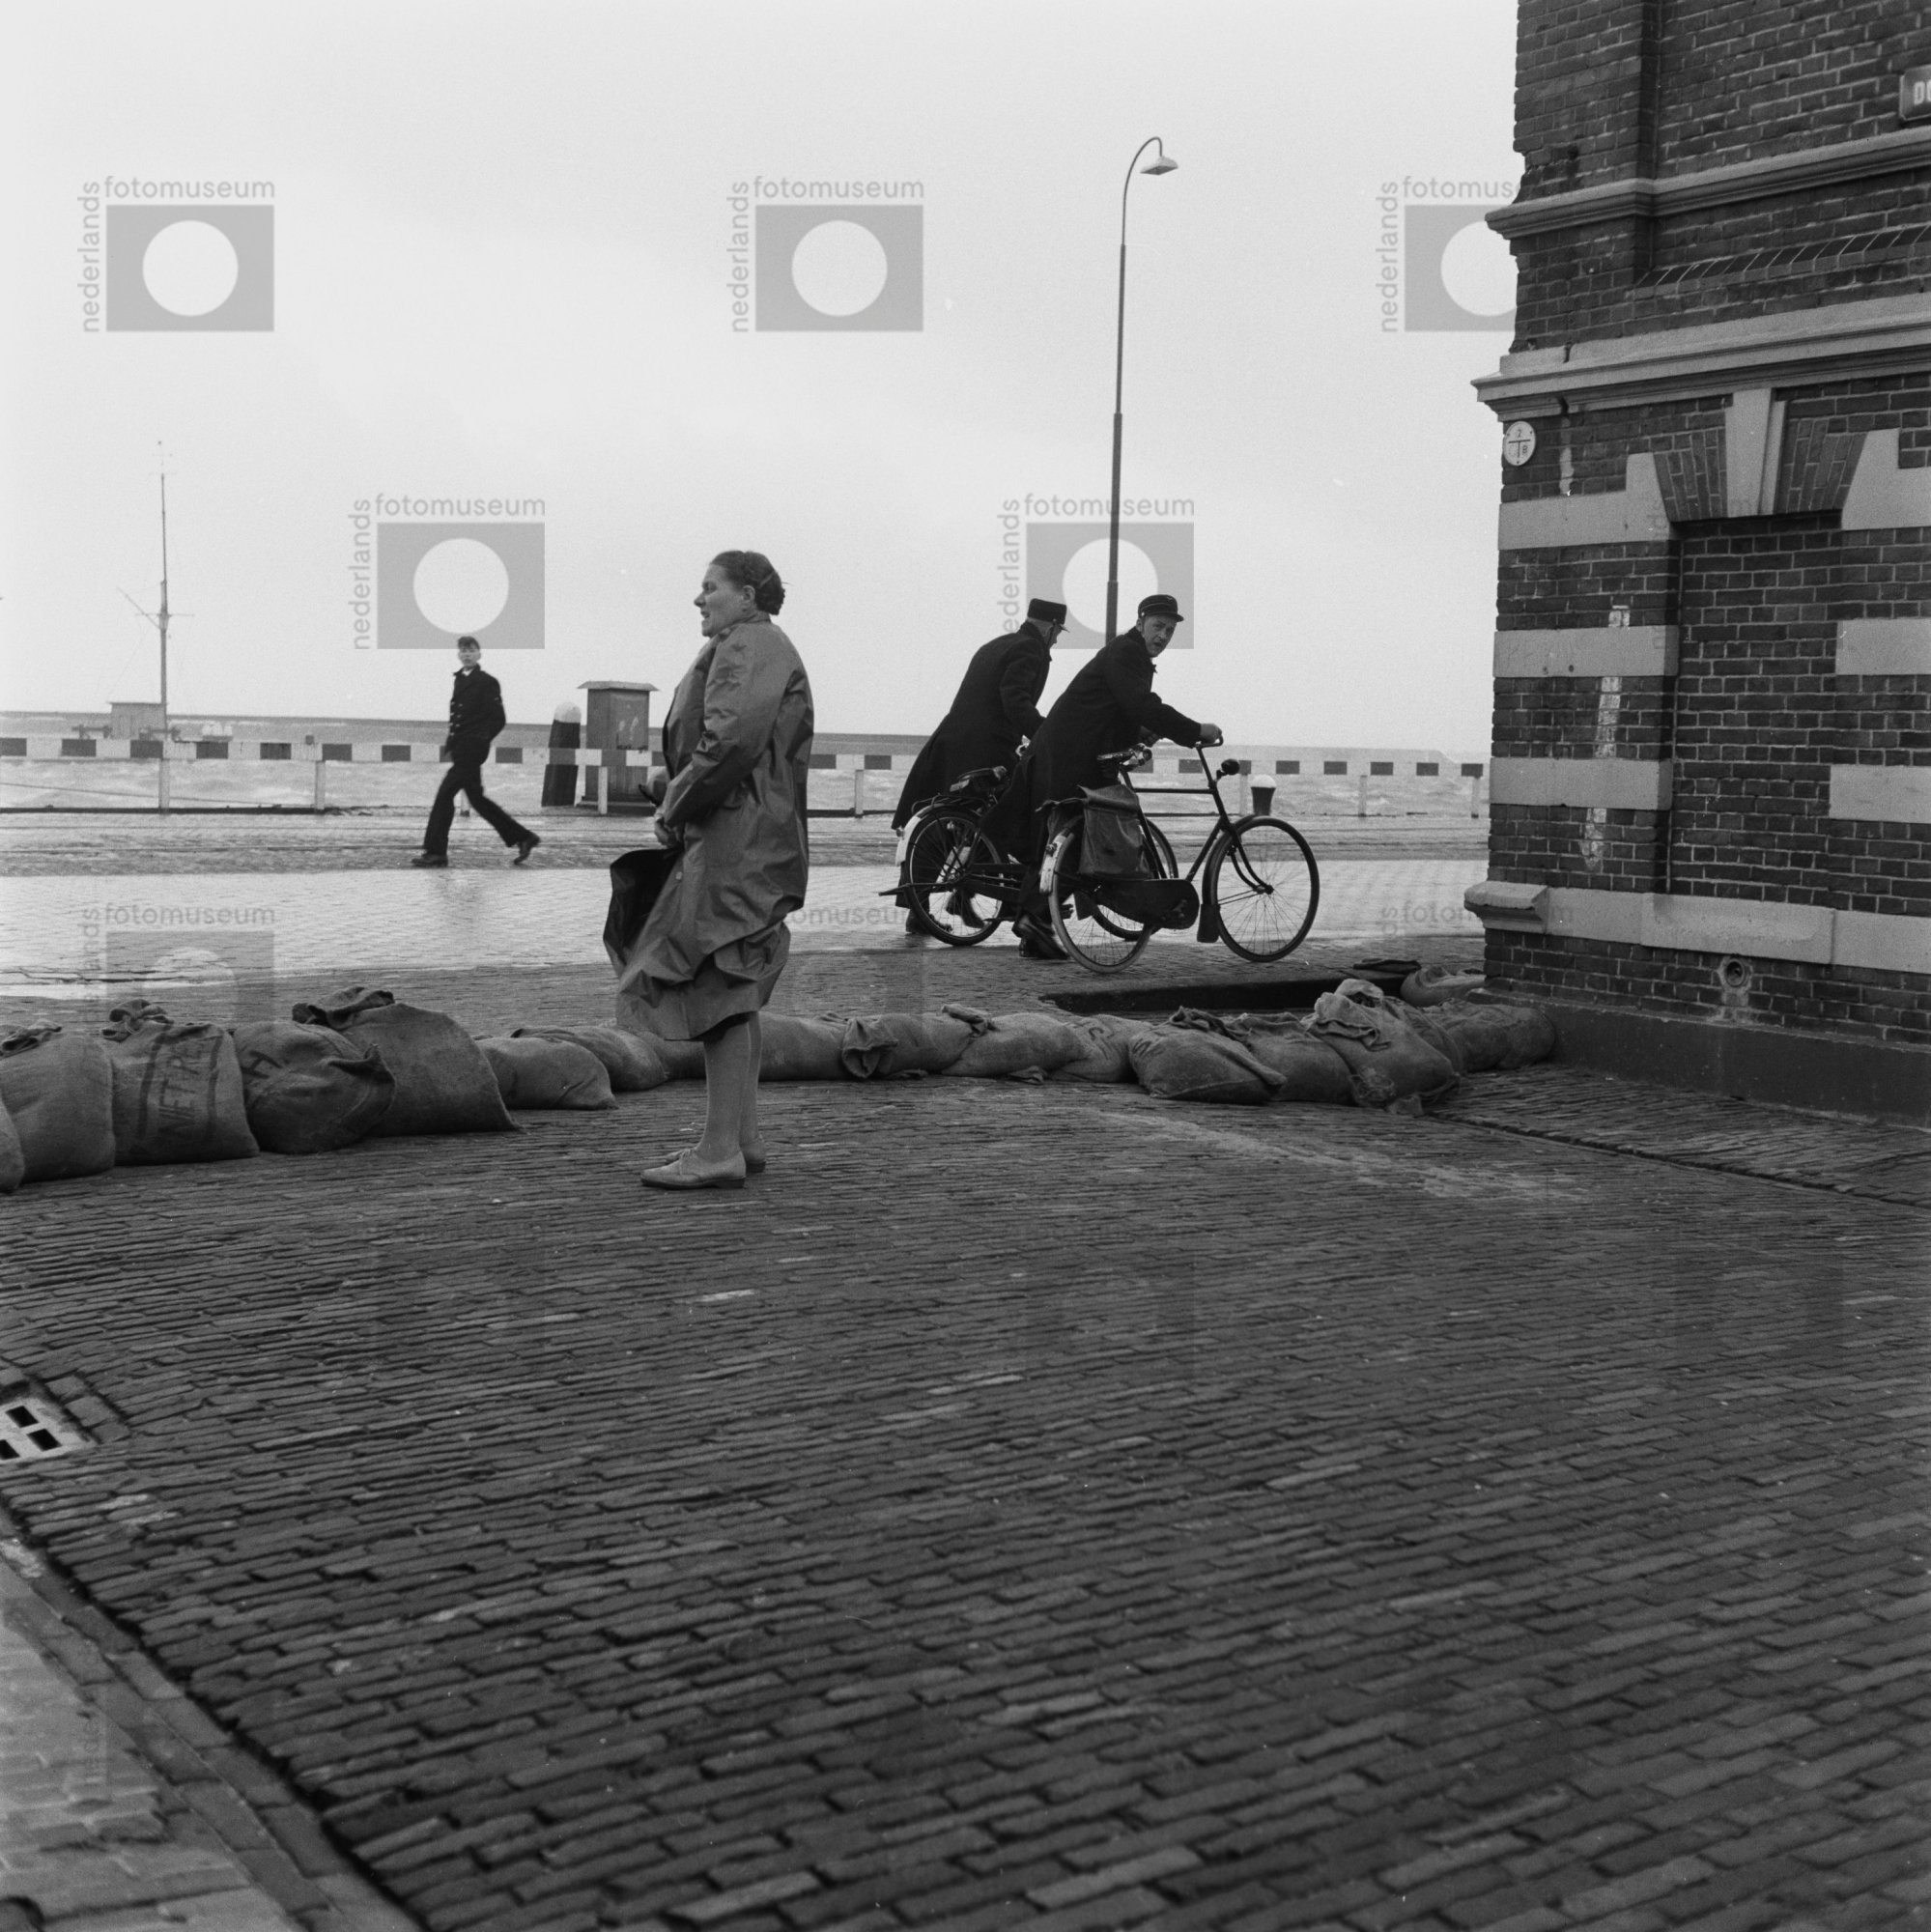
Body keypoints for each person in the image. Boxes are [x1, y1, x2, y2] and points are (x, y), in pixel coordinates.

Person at [619, 550, 813, 1191]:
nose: (699, 599)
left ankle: (718, 1150)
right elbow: (734, 742)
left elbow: (729, 741)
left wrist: (674, 803)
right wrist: (678, 788)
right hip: (754, 834)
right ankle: (742, 1138)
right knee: (736, 981)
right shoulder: (758, 644)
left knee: (718, 985)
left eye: (710, 587)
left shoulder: (748, 645)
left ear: (748, 594)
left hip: (738, 840)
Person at [980, 591, 1222, 958]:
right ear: (1140, 623)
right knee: (1081, 835)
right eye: (1158, 626)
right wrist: (1194, 730)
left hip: (1064, 751)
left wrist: (1141, 731)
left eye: (1170, 631)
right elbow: (1141, 704)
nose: (1163, 636)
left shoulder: (1128, 654)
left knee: (1058, 837)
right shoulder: (1127, 652)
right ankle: (1036, 919)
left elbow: (1115, 707)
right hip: (1070, 754)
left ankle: (1034, 928)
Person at [891, 597, 1065, 933]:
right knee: (1006, 816)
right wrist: (1045, 736)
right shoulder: (1030, 649)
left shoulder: (996, 644)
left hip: (950, 742)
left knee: (942, 824)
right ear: (1051, 627)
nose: (1056, 641)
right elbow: (1015, 700)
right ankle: (994, 895)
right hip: (985, 749)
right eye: (1058, 633)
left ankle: (922, 909)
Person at [412, 635, 541, 867]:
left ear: (479, 654)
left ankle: (436, 852)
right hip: (461, 749)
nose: (467, 654)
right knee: (477, 799)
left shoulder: (487, 681)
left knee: (444, 796)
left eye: (471, 650)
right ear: (458, 654)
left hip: (472, 750)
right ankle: (523, 837)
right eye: (463, 650)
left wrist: (480, 740)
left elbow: (498, 718)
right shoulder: (459, 678)